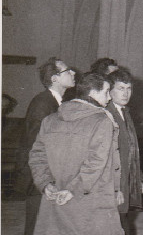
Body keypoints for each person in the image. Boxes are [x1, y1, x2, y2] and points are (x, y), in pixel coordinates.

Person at [28, 72, 123, 234]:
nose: (109, 98)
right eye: (106, 92)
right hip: (91, 203)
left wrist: (45, 184)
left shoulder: (50, 120)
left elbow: (37, 156)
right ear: (93, 93)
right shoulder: (101, 121)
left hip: (55, 199)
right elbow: (95, 163)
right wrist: (72, 190)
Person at [16, 57, 75, 235]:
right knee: (35, 227)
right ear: (55, 78)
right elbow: (38, 146)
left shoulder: (57, 102)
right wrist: (46, 181)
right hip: (39, 178)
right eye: (67, 71)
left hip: (48, 176)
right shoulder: (42, 103)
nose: (73, 73)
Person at [107, 69, 143, 234]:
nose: (126, 93)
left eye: (128, 88)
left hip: (126, 181)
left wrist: (138, 179)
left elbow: (132, 150)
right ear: (109, 90)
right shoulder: (107, 114)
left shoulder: (125, 112)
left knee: (124, 223)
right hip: (114, 185)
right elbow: (108, 156)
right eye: (121, 88)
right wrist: (115, 188)